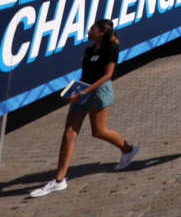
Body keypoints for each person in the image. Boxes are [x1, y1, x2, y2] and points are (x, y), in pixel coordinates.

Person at [29, 17, 137, 197]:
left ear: (102, 32)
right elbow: (87, 72)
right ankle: (59, 180)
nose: (89, 31)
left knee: (99, 131)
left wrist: (83, 92)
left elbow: (107, 76)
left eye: (93, 28)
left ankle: (128, 149)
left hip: (98, 92)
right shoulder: (89, 48)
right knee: (69, 133)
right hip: (82, 91)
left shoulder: (111, 48)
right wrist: (74, 90)